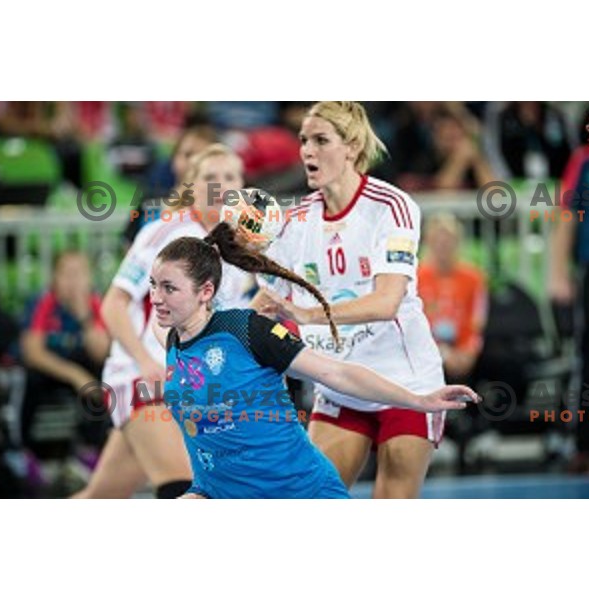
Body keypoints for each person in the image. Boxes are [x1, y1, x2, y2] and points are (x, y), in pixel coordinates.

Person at [150, 225, 478, 499]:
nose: (156, 298)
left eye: (169, 288)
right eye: (153, 285)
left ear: (205, 292)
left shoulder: (247, 330)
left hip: (297, 494)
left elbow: (335, 372)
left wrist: (418, 399)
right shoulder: (174, 341)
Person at [251, 101, 449, 498]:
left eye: (321, 140)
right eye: (304, 140)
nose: (307, 150)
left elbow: (386, 302)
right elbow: (267, 301)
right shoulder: (295, 222)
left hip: (406, 385)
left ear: (353, 147)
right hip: (341, 387)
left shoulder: (392, 207)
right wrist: (219, 341)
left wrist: (307, 315)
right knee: (312, 500)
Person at [72, 144, 254, 498]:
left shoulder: (238, 244)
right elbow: (112, 304)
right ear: (191, 183)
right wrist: (144, 361)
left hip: (189, 388)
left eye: (230, 177)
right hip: (144, 377)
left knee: (99, 498)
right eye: (210, 177)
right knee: (186, 489)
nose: (221, 186)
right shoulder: (167, 231)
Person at [20, 250, 111, 458]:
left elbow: (101, 352)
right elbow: (32, 353)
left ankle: (92, 449)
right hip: (53, 371)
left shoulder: (97, 303)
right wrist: (74, 376)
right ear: (55, 278)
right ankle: (25, 452)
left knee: (104, 375)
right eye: (67, 274)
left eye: (80, 274)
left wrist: (84, 316)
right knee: (30, 378)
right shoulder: (43, 303)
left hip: (84, 371)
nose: (74, 282)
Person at [549, 113, 589, 472]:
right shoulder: (583, 160)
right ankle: (582, 444)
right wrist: (558, 273)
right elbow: (566, 215)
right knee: (588, 355)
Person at [418, 213, 488, 382]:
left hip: (464, 350)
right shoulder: (416, 277)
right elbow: (414, 322)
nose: (443, 245)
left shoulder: (474, 278)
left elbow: (477, 321)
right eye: (437, 240)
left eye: (448, 240)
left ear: (458, 242)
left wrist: (468, 352)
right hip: (427, 350)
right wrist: (442, 352)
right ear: (428, 242)